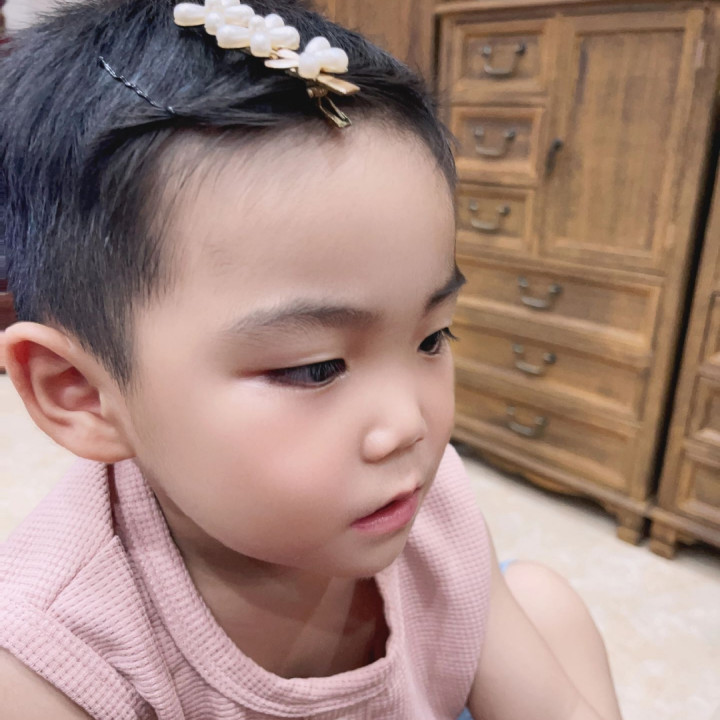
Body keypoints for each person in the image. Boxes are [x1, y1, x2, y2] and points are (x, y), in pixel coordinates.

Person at [0, 1, 624, 717]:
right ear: (80, 391)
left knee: (547, 602)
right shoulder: (51, 665)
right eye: (316, 368)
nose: (409, 426)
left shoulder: (421, 503)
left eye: (432, 338)